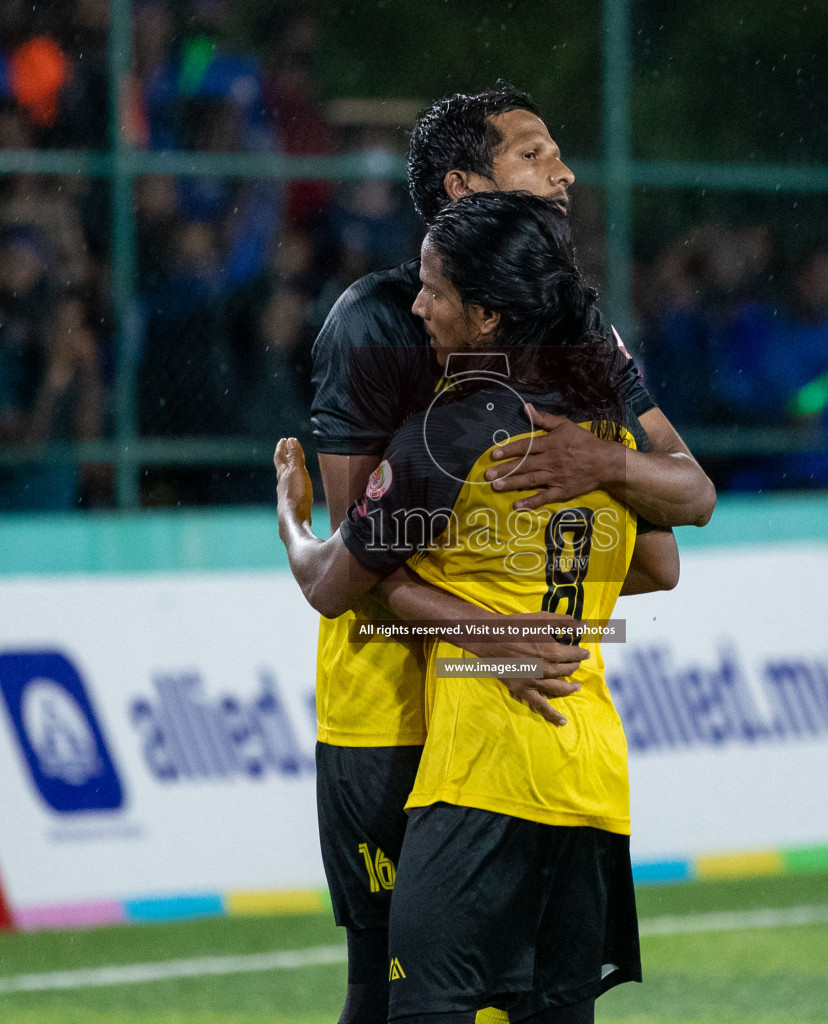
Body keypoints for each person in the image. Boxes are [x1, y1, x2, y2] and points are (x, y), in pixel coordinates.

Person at [305, 84, 715, 1024]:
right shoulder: (376, 321)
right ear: (463, 184)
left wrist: (591, 462)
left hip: (507, 711)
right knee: (392, 991)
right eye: (535, 154)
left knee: (498, 997)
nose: (563, 173)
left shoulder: (579, 336)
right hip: (390, 709)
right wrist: (506, 622)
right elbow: (361, 569)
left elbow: (682, 510)